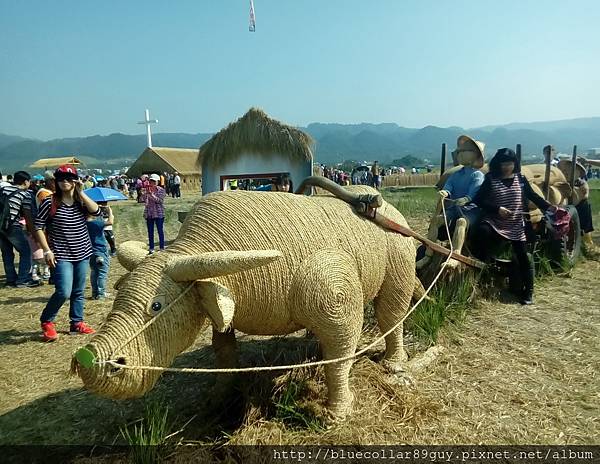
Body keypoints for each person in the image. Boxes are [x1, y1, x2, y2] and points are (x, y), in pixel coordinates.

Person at [473, 148, 557, 305]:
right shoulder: (490, 179)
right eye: (503, 164)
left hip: (516, 224)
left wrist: (549, 207)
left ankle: (528, 293)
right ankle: (484, 272)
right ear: (497, 164)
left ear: (515, 164)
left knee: (523, 256)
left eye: (510, 164)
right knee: (482, 232)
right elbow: (478, 200)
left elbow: (533, 196)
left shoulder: (521, 179)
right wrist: (497, 209)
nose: (506, 167)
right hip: (495, 221)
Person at [34, 164, 100, 341]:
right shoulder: (50, 201)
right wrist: (47, 250)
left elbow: (96, 211)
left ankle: (76, 322)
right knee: (63, 291)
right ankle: (47, 321)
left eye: (69, 179)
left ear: (75, 181)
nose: (65, 182)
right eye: (61, 179)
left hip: (83, 251)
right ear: (55, 181)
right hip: (61, 254)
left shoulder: (80, 202)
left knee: (78, 291)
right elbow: (38, 226)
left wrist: (81, 191)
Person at [0, 171, 40, 287]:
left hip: (1, 227)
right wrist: (34, 233)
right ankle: (23, 279)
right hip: (13, 226)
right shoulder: (25, 194)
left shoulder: (3, 190)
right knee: (25, 251)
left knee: (6, 253)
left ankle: (11, 279)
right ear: (26, 181)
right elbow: (28, 216)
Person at [87, 211, 111, 299]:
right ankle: (101, 294)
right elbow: (110, 222)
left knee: (94, 272)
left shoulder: (84, 223)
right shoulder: (96, 223)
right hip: (101, 251)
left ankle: (94, 293)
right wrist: (110, 212)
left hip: (91, 252)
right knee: (102, 273)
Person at [144, 173, 166, 254]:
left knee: (160, 231)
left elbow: (160, 201)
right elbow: (144, 201)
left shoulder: (161, 190)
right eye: (151, 181)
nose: (152, 183)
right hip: (149, 213)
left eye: (154, 181)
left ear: (157, 182)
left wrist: (151, 195)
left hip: (159, 213)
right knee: (150, 231)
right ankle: (151, 247)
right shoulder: (147, 190)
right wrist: (144, 195)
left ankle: (162, 247)